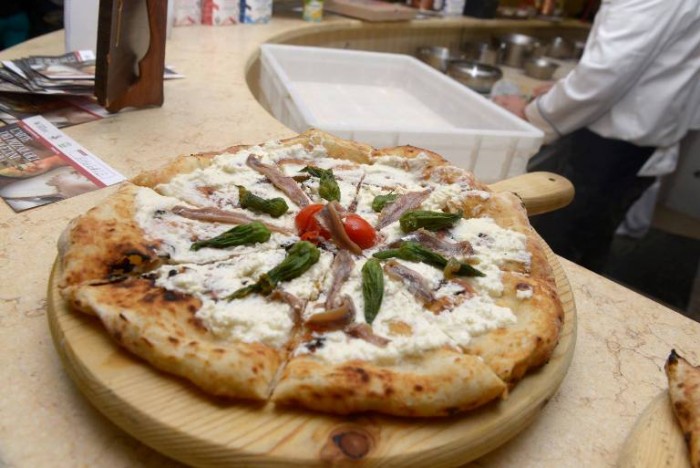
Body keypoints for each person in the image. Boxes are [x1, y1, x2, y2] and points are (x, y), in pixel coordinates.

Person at [493, 0, 700, 273]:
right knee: (592, 238)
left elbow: (605, 73)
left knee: (560, 252)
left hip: (611, 149)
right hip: (637, 136)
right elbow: (634, 62)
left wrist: (532, 113)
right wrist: (563, 89)